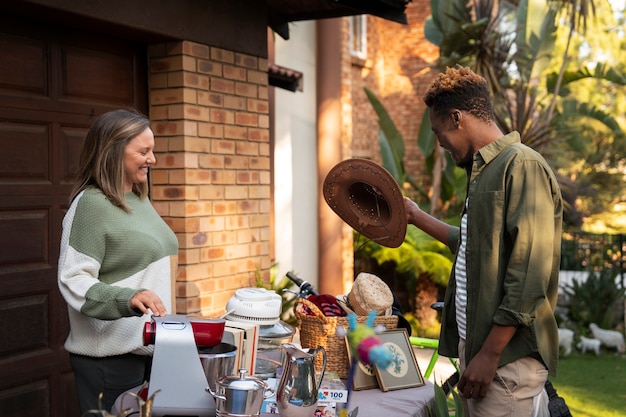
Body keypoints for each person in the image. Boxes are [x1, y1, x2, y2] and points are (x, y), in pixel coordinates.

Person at [404, 67, 562, 417]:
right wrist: (415, 216)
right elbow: (475, 250)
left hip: (504, 361)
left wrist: (489, 355)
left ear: (457, 118)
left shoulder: (521, 165)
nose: (439, 143)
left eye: (438, 131)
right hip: (481, 354)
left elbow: (529, 273)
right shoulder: (483, 172)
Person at [57, 109, 179, 414]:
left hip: (148, 350)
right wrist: (128, 298)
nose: (152, 159)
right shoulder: (91, 205)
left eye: (153, 150)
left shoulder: (138, 199)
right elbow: (74, 279)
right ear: (113, 151)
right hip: (109, 360)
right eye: (143, 151)